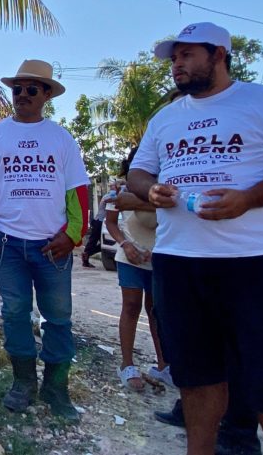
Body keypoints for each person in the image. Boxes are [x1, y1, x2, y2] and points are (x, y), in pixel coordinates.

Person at [126, 22, 263, 455]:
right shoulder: (166, 118)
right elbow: (140, 171)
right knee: (196, 379)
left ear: (218, 54)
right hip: (179, 261)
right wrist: (150, 190)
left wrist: (249, 198)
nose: (176, 65)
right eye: (173, 58)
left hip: (253, 262)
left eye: (186, 55)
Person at [0, 59, 89, 420]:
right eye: (17, 89)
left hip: (52, 247)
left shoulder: (61, 137)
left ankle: (56, 387)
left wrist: (73, 234)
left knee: (58, 318)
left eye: (31, 89)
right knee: (15, 313)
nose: (22, 95)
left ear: (46, 95)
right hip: (8, 244)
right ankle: (23, 383)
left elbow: (77, 190)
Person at [104, 150, 171, 391]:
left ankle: (164, 364)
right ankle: (127, 363)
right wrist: (125, 244)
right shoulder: (119, 190)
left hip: (160, 256)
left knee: (157, 311)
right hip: (130, 255)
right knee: (131, 307)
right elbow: (111, 222)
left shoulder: (167, 190)